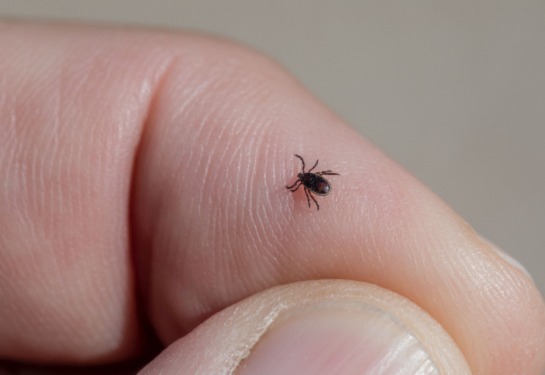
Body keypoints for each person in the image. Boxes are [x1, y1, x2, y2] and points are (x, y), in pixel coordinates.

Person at [0, 22, 544, 374]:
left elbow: (312, 181)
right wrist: (312, 189)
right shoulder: (310, 184)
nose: (308, 183)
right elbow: (317, 182)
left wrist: (307, 186)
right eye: (307, 181)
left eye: (308, 182)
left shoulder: (306, 183)